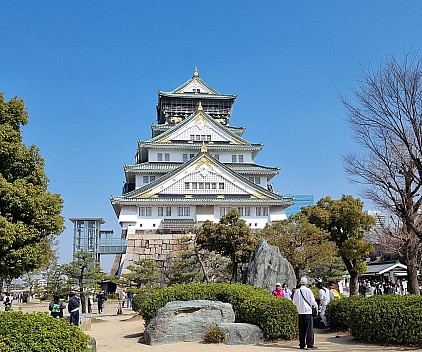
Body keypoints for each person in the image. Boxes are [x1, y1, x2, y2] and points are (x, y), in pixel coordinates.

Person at [292, 277, 318, 350]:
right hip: (308, 311)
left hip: (300, 312)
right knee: (309, 329)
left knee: (301, 329)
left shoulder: (297, 291)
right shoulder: (308, 290)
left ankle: (302, 344)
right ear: (306, 283)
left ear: (300, 282)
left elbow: (294, 302)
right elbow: (312, 301)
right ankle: (309, 345)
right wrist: (316, 307)